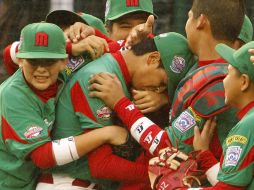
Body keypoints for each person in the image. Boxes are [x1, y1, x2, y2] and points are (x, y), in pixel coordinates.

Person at [88, 0, 246, 187]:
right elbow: (155, 61)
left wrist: (121, 103)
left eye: (188, 17)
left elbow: (167, 147)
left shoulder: (220, 80)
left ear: (200, 21)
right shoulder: (201, 65)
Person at [37, 32, 196, 190]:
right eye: (162, 83)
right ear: (152, 59)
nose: (158, 90)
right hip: (67, 183)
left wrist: (164, 100)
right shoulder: (100, 79)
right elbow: (101, 165)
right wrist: (160, 173)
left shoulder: (121, 72)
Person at [0, 22, 128, 190]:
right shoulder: (13, 96)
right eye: (33, 61)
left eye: (49, 61)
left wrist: (94, 33)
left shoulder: (65, 69)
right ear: (21, 61)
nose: (41, 69)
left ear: (63, 61)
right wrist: (105, 133)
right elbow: (42, 156)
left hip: (32, 178)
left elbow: (122, 49)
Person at [192, 41, 254, 189]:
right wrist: (204, 155)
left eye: (228, 72)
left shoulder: (249, 124)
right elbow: (233, 182)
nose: (223, 79)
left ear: (244, 81)